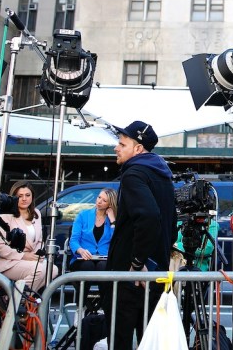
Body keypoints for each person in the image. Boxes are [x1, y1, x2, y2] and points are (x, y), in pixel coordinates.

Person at [103, 120, 177, 350]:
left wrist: (137, 263)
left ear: (137, 149)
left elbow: (149, 217)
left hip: (130, 276)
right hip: (155, 272)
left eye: (122, 144)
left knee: (121, 339)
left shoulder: (133, 174)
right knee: (150, 341)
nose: (116, 148)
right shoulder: (163, 176)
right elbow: (172, 224)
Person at [0, 181, 58, 292]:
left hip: (32, 260)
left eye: (27, 195)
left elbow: (39, 241)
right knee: (40, 270)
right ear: (14, 197)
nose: (24, 199)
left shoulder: (36, 213)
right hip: (9, 262)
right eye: (20, 196)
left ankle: (23, 298)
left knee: (53, 269)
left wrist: (37, 255)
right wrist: (24, 256)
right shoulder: (5, 215)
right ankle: (16, 299)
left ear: (32, 197)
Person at [69, 188, 118, 271]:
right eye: (99, 197)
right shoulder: (83, 215)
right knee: (88, 265)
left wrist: (113, 221)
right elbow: (73, 240)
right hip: (82, 258)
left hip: (104, 259)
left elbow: (116, 241)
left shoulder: (113, 220)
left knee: (103, 266)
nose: (99, 201)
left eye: (104, 200)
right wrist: (81, 251)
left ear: (110, 204)